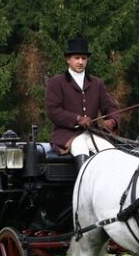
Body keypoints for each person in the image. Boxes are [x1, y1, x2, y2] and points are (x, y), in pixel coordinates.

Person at [45, 37, 120, 169]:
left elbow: (110, 107)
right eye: (77, 58)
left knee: (110, 151)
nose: (80, 62)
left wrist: (112, 121)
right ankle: (82, 186)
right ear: (68, 59)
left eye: (83, 58)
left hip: (93, 133)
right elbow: (53, 111)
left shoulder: (97, 83)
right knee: (81, 148)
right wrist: (77, 119)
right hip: (67, 134)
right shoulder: (56, 82)